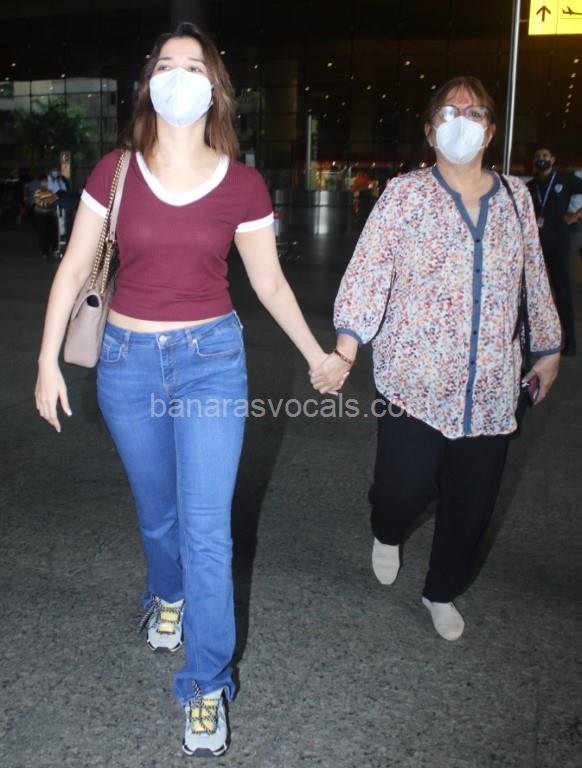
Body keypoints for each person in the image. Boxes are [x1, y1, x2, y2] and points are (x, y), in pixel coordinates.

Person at [35, 22, 326, 757]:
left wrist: (316, 354)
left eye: (194, 66)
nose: (178, 76)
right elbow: (73, 268)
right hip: (126, 361)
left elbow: (269, 283)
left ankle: (205, 684)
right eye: (166, 65)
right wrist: (45, 361)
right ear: (148, 85)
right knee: (158, 514)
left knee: (207, 530)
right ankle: (167, 594)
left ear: (215, 88)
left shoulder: (243, 184)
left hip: (210, 362)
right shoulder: (116, 172)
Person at [311, 76, 561, 642]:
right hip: (413, 382)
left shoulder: (517, 199)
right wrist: (347, 345)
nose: (462, 122)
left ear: (490, 131)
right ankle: (387, 529)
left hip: (491, 387)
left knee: (471, 506)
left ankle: (441, 590)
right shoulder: (405, 195)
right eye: (449, 112)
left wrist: (547, 349)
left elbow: (534, 278)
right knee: (400, 489)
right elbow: (370, 272)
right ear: (430, 131)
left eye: (475, 112)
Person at [526, 146, 582, 356]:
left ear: (553, 159)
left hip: (559, 244)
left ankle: (570, 342)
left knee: (563, 293)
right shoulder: (531, 186)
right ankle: (536, 340)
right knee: (535, 294)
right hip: (537, 246)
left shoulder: (565, 179)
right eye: (537, 156)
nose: (541, 159)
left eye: (545, 156)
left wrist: (576, 215)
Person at [32, 173, 59, 260]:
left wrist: (51, 201)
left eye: (46, 181)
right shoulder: (38, 191)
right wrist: (49, 202)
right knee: (43, 233)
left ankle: (54, 249)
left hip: (50, 215)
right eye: (43, 181)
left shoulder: (50, 190)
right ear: (40, 182)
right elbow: (39, 203)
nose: (45, 183)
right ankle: (44, 251)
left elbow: (55, 199)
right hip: (41, 215)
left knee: (53, 233)